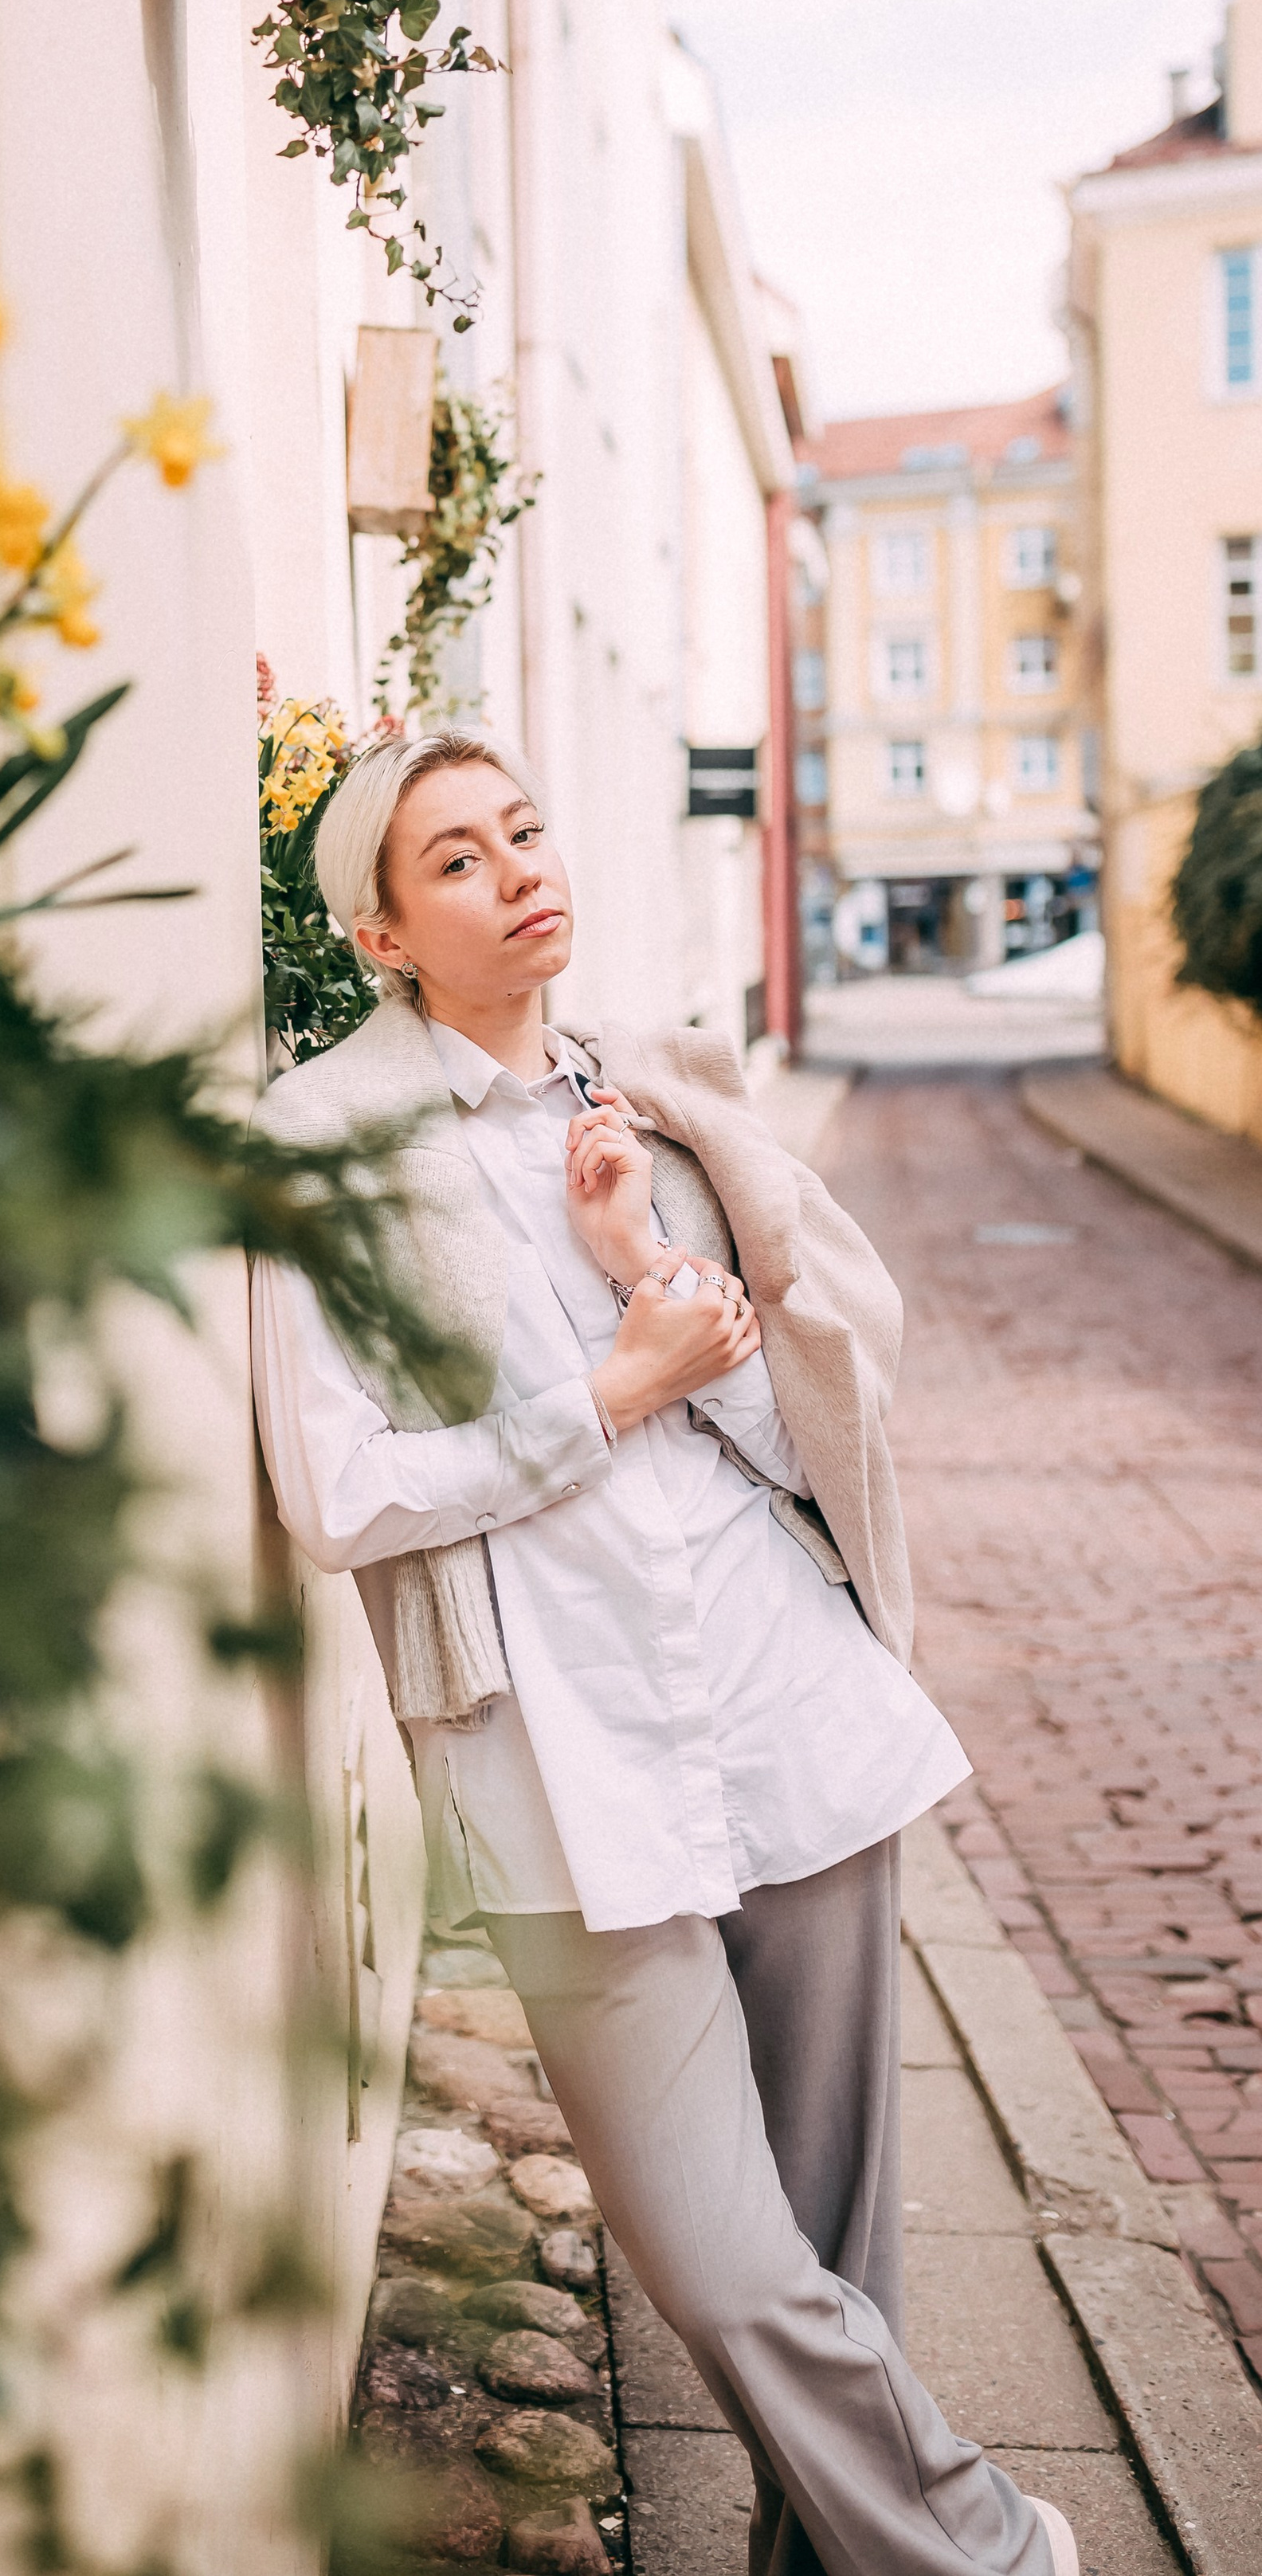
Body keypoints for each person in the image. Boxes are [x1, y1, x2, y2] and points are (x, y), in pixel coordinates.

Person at [251, 729, 1076, 2576]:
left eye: (524, 830)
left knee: (834, 2241)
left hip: (780, 1702)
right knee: (717, 2255)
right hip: (556, 1752)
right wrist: (600, 1390)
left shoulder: (652, 1098)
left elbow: (798, 1442)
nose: (517, 870)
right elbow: (338, 1493)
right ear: (381, 932)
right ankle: (995, 2547)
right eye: (452, 859)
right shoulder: (314, 1145)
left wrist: (645, 1280)